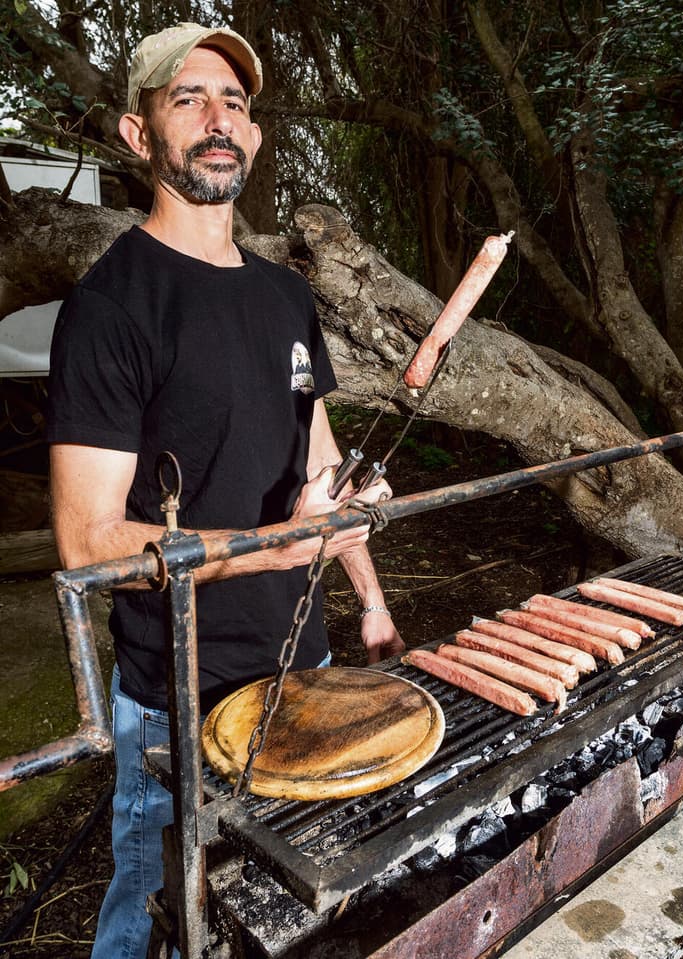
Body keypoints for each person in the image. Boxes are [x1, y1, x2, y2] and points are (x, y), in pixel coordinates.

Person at [46, 22, 403, 958]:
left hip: (303, 670)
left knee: (281, 902)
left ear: (253, 136)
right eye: (188, 99)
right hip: (177, 694)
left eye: (235, 103)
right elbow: (86, 545)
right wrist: (272, 546)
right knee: (153, 896)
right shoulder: (111, 306)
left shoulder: (286, 296)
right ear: (138, 133)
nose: (218, 120)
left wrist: (367, 591)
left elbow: (319, 469)